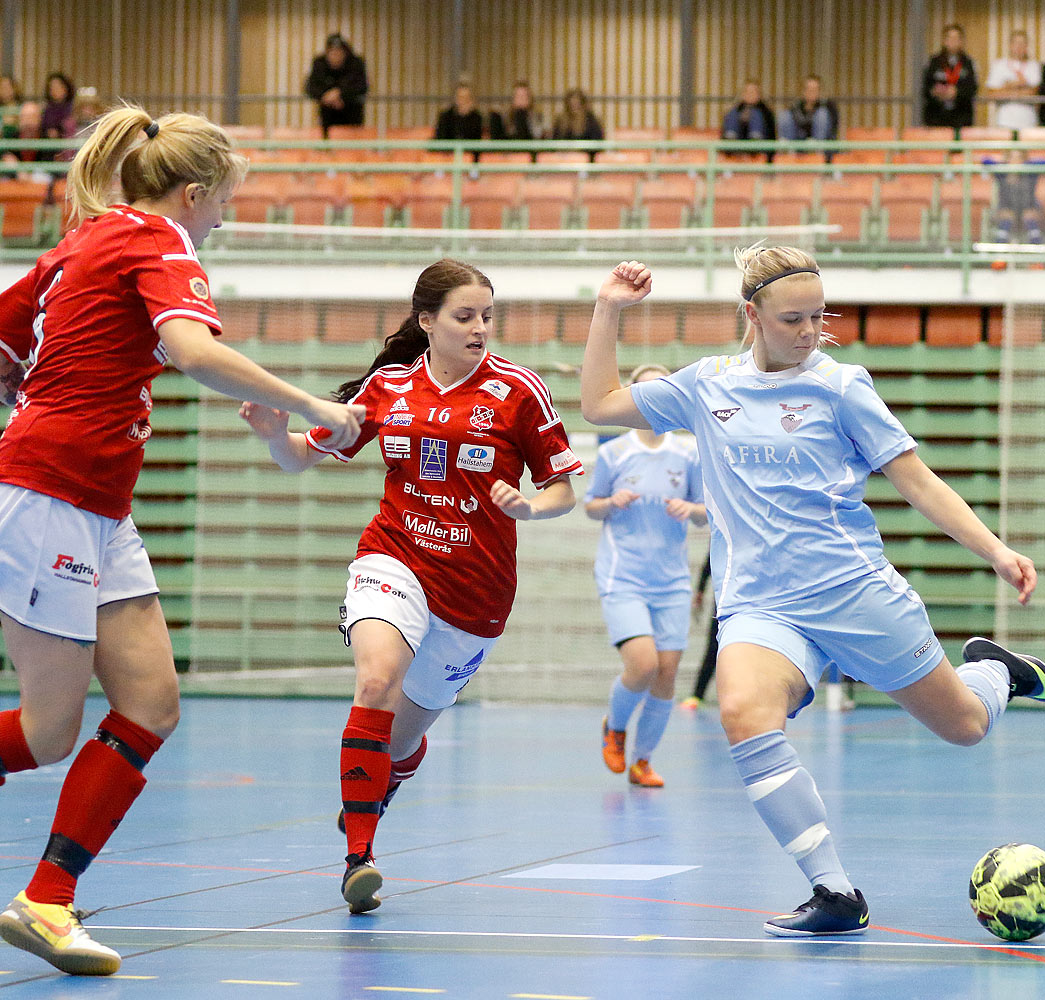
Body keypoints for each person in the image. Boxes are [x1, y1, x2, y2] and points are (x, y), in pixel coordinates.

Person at [579, 249, 1045, 937]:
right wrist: (609, 310)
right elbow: (599, 404)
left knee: (964, 727)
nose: (810, 331)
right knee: (742, 711)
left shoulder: (841, 387)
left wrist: (996, 551)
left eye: (819, 316)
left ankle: (995, 672)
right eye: (793, 319)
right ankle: (835, 892)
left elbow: (917, 482)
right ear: (753, 316)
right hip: (761, 605)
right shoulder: (706, 385)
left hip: (854, 593)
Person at [0, 105, 364, 977]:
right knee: (51, 732)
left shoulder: (78, 244)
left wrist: (30, 391)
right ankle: (46, 899)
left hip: (98, 503)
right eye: (223, 206)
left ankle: (46, 900)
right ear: (194, 194)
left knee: (151, 705)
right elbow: (191, 351)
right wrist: (316, 406)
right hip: (51, 495)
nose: (222, 224)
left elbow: (7, 338)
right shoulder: (157, 242)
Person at [239, 258, 582, 916]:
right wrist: (273, 435)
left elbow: (562, 488)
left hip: (476, 592)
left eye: (487, 315)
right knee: (375, 683)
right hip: (394, 555)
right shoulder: (388, 386)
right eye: (464, 316)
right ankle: (359, 859)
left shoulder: (518, 392)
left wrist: (529, 509)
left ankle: (381, 781)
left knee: (399, 739)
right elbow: (300, 458)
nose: (480, 327)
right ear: (427, 322)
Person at [586, 365, 707, 788]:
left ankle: (642, 760)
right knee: (642, 664)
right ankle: (615, 726)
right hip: (624, 575)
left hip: (671, 579)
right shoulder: (613, 453)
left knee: (667, 673)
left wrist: (690, 510)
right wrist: (610, 502)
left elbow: (706, 511)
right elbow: (590, 504)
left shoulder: (689, 453)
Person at [304, 33, 368, 136]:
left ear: (345, 53)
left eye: (338, 52)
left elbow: (362, 86)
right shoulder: (319, 63)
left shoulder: (355, 64)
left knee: (352, 148)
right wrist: (326, 96)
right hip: (327, 119)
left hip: (352, 116)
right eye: (332, 52)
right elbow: (310, 87)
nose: (335, 55)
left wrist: (340, 93)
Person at [921, 24, 978, 131]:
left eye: (956, 38)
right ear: (944, 41)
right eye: (949, 38)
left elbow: (973, 88)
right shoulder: (933, 62)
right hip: (936, 118)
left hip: (961, 119)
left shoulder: (968, 63)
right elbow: (925, 88)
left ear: (962, 41)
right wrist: (936, 92)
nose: (952, 41)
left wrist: (957, 92)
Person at [680, 556, 719, 710]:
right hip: (726, 600)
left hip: (751, 600)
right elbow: (709, 562)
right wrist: (700, 592)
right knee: (713, 647)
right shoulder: (723, 534)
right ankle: (697, 695)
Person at [984, 30, 1041, 133]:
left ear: (1027, 46)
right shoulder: (999, 65)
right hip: (1004, 121)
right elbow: (992, 94)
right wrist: (1015, 86)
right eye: (1016, 43)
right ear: (1010, 45)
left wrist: (1006, 90)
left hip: (1028, 121)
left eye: (1022, 43)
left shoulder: (1034, 66)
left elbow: (1034, 92)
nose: (1019, 46)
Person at [984, 146, 1043, 243]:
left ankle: (1037, 253)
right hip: (1006, 207)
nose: (1016, 161)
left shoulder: (1031, 173)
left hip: (1028, 206)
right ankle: (999, 253)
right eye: (1012, 157)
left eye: (1019, 158)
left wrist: (1024, 166)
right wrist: (1006, 165)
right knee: (1005, 218)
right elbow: (986, 161)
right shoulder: (1002, 173)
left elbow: (1044, 162)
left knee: (1030, 217)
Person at [779, 75, 839, 142]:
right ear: (803, 91)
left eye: (814, 89)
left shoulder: (828, 106)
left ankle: (817, 149)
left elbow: (833, 130)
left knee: (822, 114)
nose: (811, 92)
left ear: (820, 91)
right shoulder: (796, 107)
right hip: (800, 141)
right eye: (808, 89)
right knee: (785, 115)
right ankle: (788, 149)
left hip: (822, 143)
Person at [38, 73, 76, 161]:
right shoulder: (45, 110)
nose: (55, 90)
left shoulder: (73, 109)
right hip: (48, 149)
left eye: (58, 86)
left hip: (67, 147)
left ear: (66, 88)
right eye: (52, 87)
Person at [434, 81, 484, 145]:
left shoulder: (477, 117)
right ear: (456, 98)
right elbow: (440, 139)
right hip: (449, 153)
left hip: (469, 152)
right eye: (461, 97)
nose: (463, 101)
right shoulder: (445, 116)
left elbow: (477, 140)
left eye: (466, 98)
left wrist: (466, 116)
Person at [0, 76, 22, 141]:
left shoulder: (23, 108)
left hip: (18, 143)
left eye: (7, 87)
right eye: (2, 87)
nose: (5, 90)